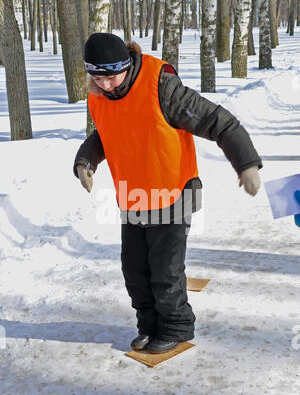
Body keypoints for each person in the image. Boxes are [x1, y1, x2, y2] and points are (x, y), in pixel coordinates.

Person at [73, 33, 263, 354]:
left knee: (165, 270)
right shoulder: (99, 96)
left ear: (127, 65)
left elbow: (219, 122)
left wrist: (246, 165)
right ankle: (148, 326)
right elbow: (105, 134)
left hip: (174, 191)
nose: (105, 85)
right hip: (134, 197)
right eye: (98, 77)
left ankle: (176, 326)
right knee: (135, 270)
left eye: (112, 76)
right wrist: (86, 160)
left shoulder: (161, 87)